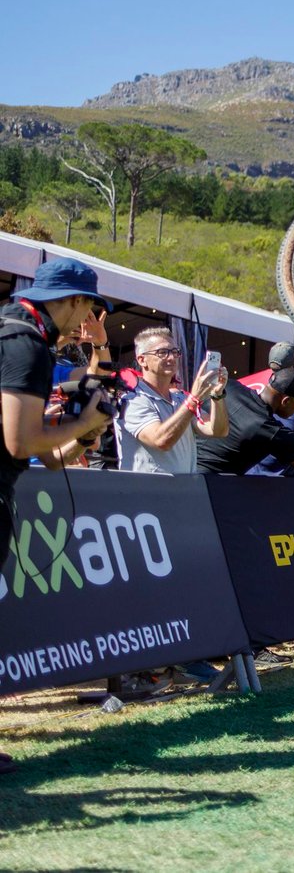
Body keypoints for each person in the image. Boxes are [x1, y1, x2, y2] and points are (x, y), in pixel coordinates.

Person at [1, 260, 117, 774]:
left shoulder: (13, 327)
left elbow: (51, 455)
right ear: (70, 298)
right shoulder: (25, 342)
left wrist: (84, 431)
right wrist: (88, 419)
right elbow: (22, 442)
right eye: (88, 308)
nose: (84, 321)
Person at [115, 327, 230, 474]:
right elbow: (161, 440)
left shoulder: (181, 399)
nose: (171, 358)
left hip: (183, 492)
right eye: (162, 352)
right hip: (145, 494)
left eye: (175, 352)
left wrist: (217, 395)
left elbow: (218, 430)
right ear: (142, 360)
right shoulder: (133, 399)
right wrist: (194, 399)